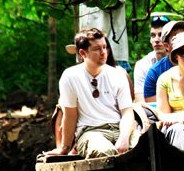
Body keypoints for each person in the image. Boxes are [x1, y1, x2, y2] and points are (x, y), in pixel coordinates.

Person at [51, 28, 138, 158]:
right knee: (104, 152)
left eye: (105, 47)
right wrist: (64, 148)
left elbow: (127, 112)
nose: (103, 52)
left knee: (144, 149)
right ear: (83, 53)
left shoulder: (118, 74)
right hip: (90, 131)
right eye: (97, 49)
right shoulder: (70, 76)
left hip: (119, 128)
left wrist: (124, 138)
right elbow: (70, 116)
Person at [133, 14, 169, 102]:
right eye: (153, 35)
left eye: (161, 35)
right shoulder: (142, 65)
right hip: (152, 112)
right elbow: (140, 102)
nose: (156, 39)